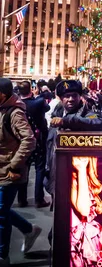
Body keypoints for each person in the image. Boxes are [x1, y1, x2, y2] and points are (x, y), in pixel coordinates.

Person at [0, 78, 42, 267]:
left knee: (1, 213)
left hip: (9, 172)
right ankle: (28, 229)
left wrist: (14, 165)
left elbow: (29, 140)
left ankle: (2, 255)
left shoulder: (15, 113)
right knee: (2, 210)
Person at [45, 80, 102, 200]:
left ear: (80, 97)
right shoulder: (56, 113)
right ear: (61, 98)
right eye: (67, 96)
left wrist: (68, 121)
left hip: (77, 173)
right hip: (56, 171)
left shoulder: (88, 112)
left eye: (74, 96)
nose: (71, 99)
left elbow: (97, 122)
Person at [70, 156, 102, 267]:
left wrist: (96, 208)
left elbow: (87, 212)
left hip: (90, 238)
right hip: (76, 243)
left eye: (84, 155)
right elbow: (83, 210)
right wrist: (81, 169)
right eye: (77, 155)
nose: (81, 159)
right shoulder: (71, 177)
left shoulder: (86, 175)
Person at [16, 80, 50, 208]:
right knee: (39, 168)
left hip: (22, 140)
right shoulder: (39, 101)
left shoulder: (17, 103)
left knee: (23, 169)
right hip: (38, 140)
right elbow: (48, 107)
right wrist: (38, 94)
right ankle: (38, 199)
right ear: (31, 89)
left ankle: (21, 199)